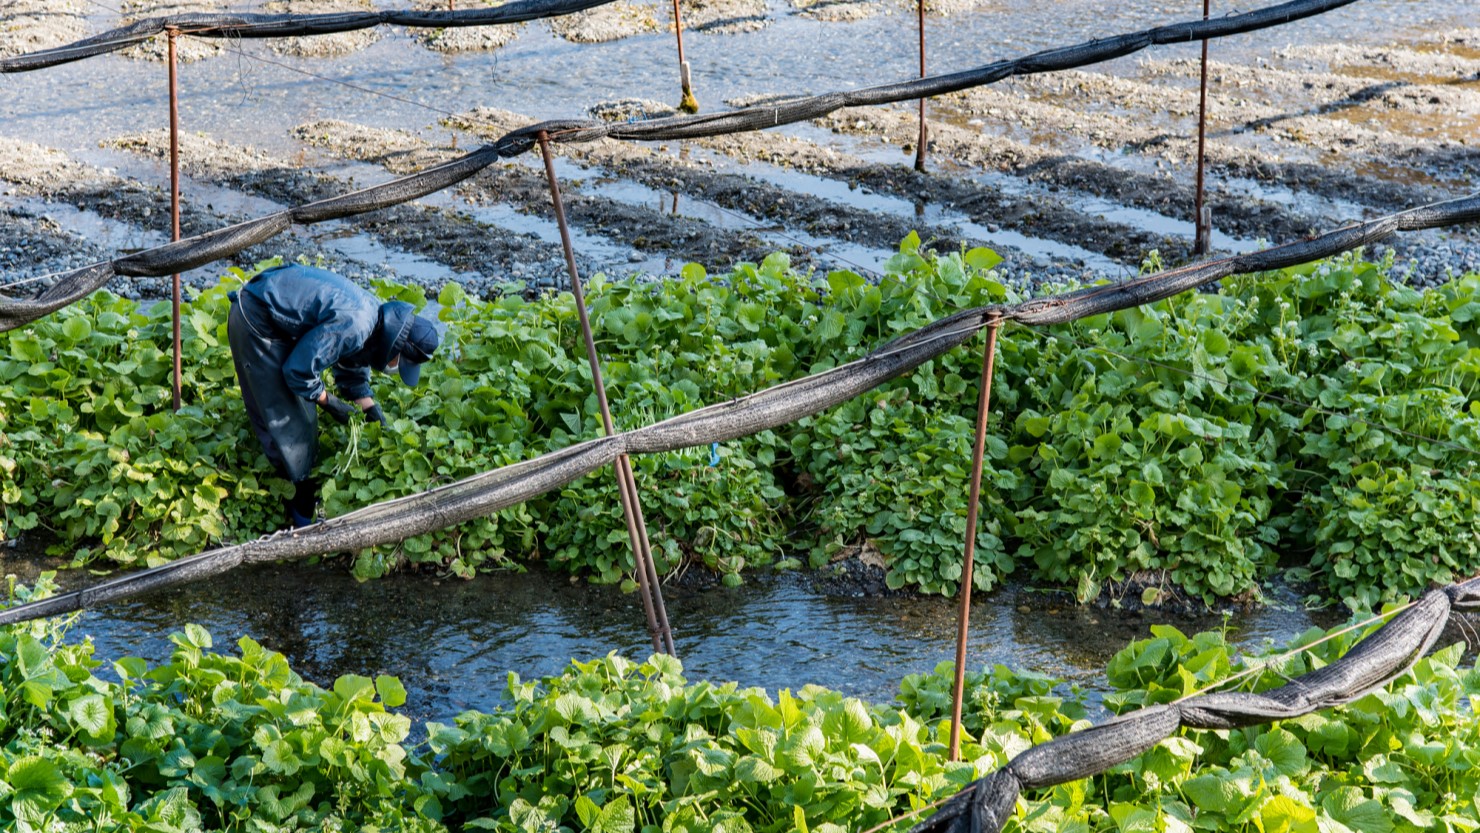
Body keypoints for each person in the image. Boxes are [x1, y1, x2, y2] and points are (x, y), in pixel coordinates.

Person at [226, 263, 440, 528]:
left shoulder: (374, 319)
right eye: (400, 362)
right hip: (256, 322)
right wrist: (330, 402)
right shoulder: (357, 324)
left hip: (274, 314)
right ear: (395, 346)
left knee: (303, 414)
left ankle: (296, 491)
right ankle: (297, 509)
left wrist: (367, 406)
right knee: (291, 424)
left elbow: (352, 361)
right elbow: (298, 372)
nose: (395, 367)